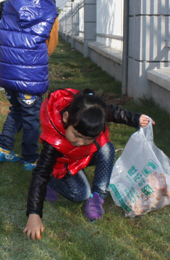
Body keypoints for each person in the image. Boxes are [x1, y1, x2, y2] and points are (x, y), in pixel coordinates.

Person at [23, 88, 154, 240]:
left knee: (107, 148)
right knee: (80, 194)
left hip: (81, 157)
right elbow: (40, 174)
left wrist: (136, 119)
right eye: (77, 136)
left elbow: (113, 112)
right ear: (66, 117)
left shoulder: (95, 112)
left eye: (88, 139)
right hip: (63, 166)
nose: (81, 142)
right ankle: (53, 182)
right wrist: (34, 213)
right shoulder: (53, 144)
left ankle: (97, 196)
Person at [0, 0, 60, 171]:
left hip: (6, 72)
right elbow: (51, 45)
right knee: (31, 117)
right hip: (30, 76)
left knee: (18, 110)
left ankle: (3, 148)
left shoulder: (9, 4)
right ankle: (30, 158)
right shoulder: (51, 13)